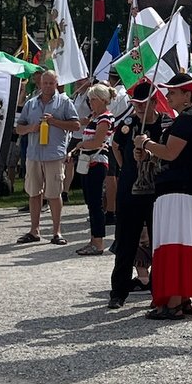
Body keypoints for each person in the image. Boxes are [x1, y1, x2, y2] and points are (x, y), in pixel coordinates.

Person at [143, 76, 192, 319]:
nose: (170, 96)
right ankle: (182, 298)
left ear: (187, 95)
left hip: (176, 190)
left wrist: (146, 144)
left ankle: (173, 302)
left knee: (173, 243)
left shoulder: (186, 119)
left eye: (174, 92)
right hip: (187, 192)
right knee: (183, 243)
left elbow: (171, 153)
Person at [107, 80, 160, 309]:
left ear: (155, 102)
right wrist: (126, 168)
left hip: (156, 191)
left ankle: (159, 290)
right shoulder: (128, 123)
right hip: (130, 190)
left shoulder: (164, 125)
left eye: (144, 103)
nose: (139, 108)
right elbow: (115, 146)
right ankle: (118, 292)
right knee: (126, 241)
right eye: (136, 103)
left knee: (159, 242)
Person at [13, 70, 79, 246]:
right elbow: (18, 128)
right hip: (34, 155)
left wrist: (54, 122)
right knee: (34, 193)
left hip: (54, 155)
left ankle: (57, 231)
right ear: (40, 84)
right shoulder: (31, 103)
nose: (48, 86)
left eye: (51, 83)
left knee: (54, 194)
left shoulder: (64, 102)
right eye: (45, 83)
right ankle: (34, 230)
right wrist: (30, 128)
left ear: (56, 84)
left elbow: (75, 124)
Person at [74, 84, 116, 257]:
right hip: (87, 161)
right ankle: (93, 239)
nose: (90, 103)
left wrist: (81, 145)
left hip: (97, 162)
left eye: (93, 99)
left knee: (96, 203)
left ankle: (98, 242)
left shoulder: (105, 118)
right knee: (91, 203)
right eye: (90, 99)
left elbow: (98, 141)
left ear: (103, 100)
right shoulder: (95, 117)